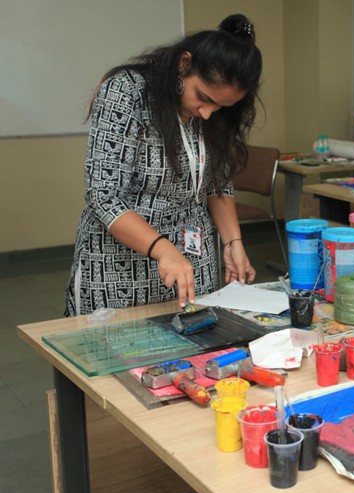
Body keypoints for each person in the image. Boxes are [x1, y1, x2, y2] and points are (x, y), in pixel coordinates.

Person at [64, 14, 261, 317]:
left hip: (193, 265)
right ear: (184, 64)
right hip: (121, 269)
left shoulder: (214, 115)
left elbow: (218, 182)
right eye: (203, 98)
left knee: (196, 354)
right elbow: (103, 196)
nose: (208, 113)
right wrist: (164, 249)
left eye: (221, 106)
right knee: (121, 357)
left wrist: (232, 242)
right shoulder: (126, 92)